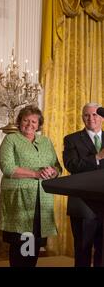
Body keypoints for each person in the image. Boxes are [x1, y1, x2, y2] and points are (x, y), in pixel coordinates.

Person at [0, 105, 61, 267]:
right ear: (20, 121)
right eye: (26, 120)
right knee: (21, 241)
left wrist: (52, 171)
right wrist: (36, 173)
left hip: (42, 199)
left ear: (39, 124)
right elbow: (7, 168)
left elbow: (57, 167)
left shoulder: (45, 141)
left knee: (34, 241)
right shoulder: (11, 139)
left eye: (34, 121)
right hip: (19, 199)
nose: (30, 124)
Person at [63, 102, 104, 267]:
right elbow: (71, 165)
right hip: (82, 203)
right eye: (87, 115)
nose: (91, 118)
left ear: (101, 117)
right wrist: (97, 157)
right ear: (82, 118)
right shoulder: (71, 139)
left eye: (95, 114)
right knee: (83, 249)